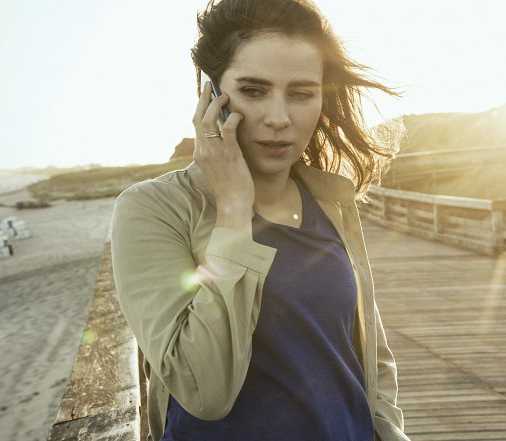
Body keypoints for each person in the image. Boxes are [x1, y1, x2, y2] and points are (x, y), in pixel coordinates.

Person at [111, 0, 410, 440]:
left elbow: (370, 354)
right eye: (253, 91)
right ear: (211, 95)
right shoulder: (153, 209)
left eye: (301, 93)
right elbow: (205, 391)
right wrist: (233, 210)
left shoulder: (331, 200)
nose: (279, 118)